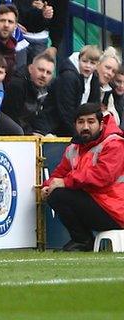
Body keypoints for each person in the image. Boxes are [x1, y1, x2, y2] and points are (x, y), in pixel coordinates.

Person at [42, 102, 124, 251]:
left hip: (116, 210)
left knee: (59, 195)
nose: (85, 126)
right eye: (81, 122)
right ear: (75, 125)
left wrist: (65, 182)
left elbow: (102, 176)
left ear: (101, 124)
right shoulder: (74, 148)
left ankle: (82, 240)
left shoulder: (114, 144)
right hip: (98, 205)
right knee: (54, 193)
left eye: (91, 121)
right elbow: (59, 173)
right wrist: (48, 185)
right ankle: (83, 241)